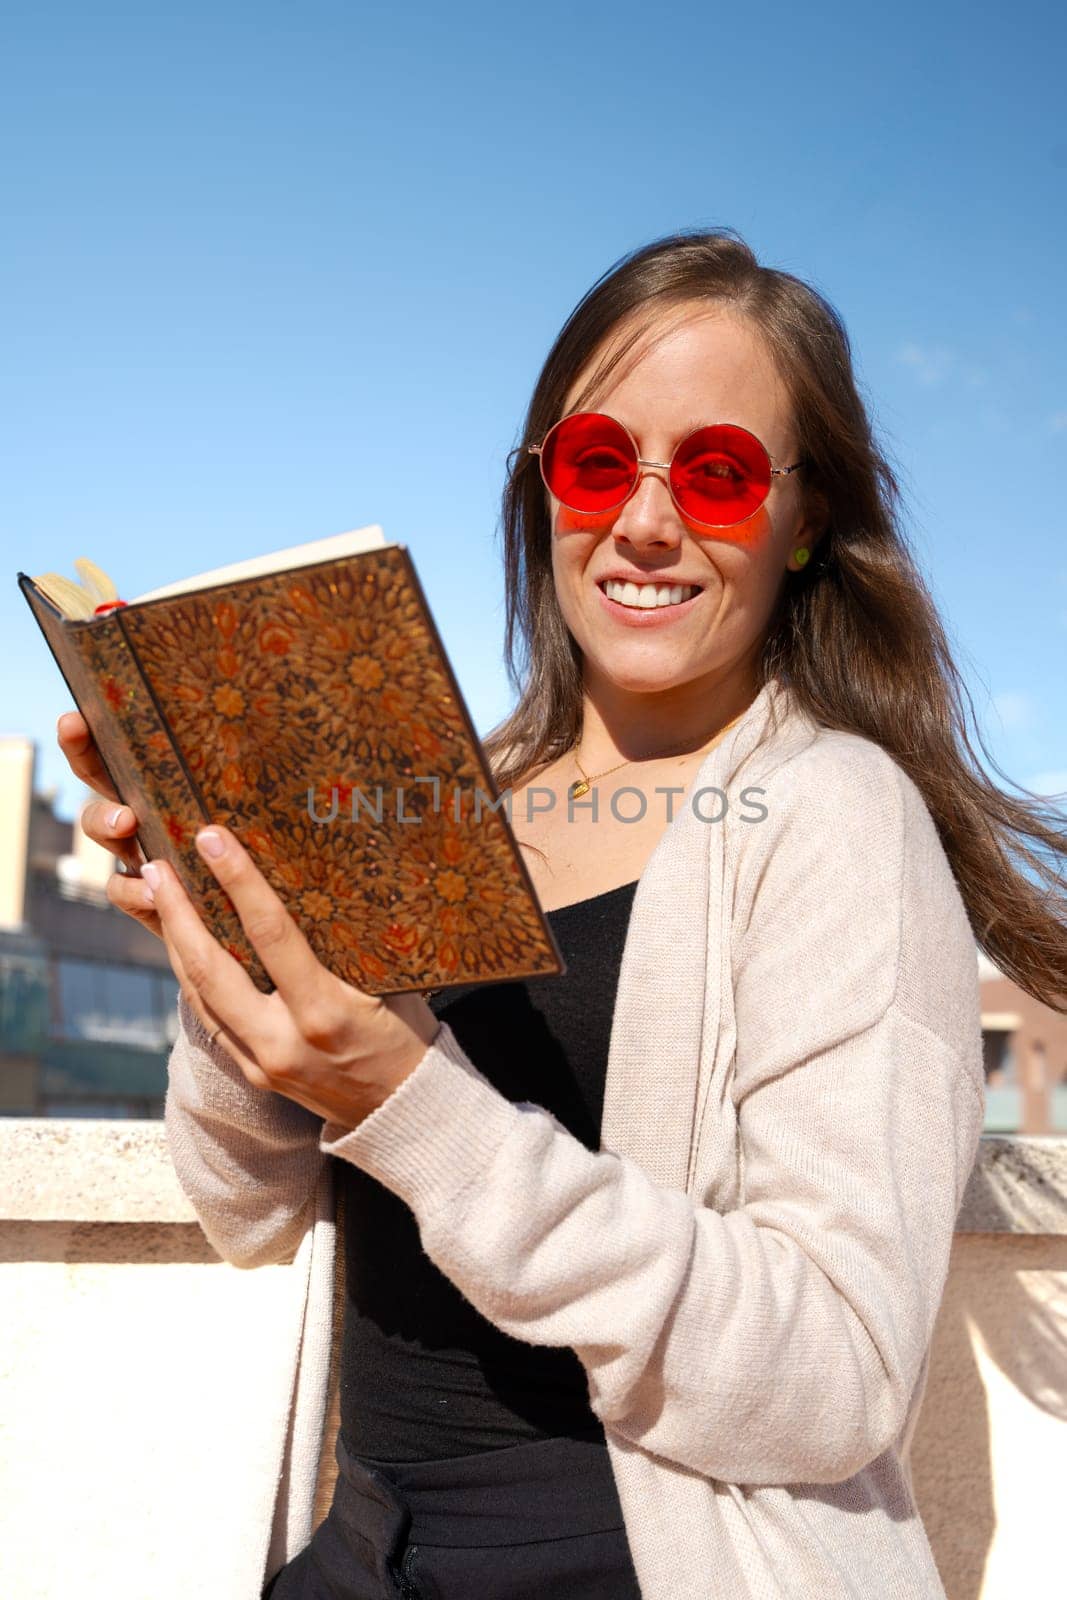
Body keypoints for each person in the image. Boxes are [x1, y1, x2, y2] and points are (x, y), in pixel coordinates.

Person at [58, 228, 1066, 1600]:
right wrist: (217, 932)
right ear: (542, 489)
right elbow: (245, 1201)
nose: (645, 521)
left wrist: (410, 1100)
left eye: (715, 475)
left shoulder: (836, 815)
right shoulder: (439, 795)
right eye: (599, 460)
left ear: (806, 517)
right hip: (356, 1553)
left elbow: (836, 1379)